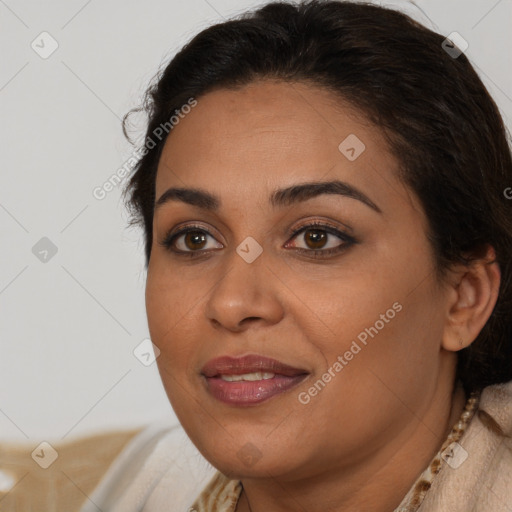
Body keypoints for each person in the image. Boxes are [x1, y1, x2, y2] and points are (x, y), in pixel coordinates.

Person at [80, 1, 512, 510]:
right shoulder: (145, 487)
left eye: (316, 238)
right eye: (194, 238)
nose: (233, 302)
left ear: (465, 296)